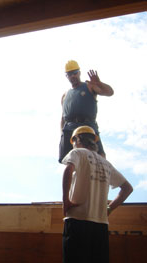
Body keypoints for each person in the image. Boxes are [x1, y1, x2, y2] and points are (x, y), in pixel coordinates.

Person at [62, 126, 133, 263]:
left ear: (77, 139)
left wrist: (66, 201)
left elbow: (68, 170)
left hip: (77, 221)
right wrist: (109, 209)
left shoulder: (78, 152)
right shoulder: (106, 163)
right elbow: (127, 189)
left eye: (74, 141)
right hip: (100, 226)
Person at [59, 60, 114, 163]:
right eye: (70, 74)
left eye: (75, 73)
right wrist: (62, 133)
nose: (73, 76)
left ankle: (101, 176)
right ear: (66, 76)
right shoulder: (65, 95)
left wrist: (99, 83)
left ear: (79, 72)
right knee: (68, 159)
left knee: (100, 156)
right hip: (69, 128)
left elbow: (110, 92)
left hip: (87, 125)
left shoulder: (89, 86)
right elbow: (62, 118)